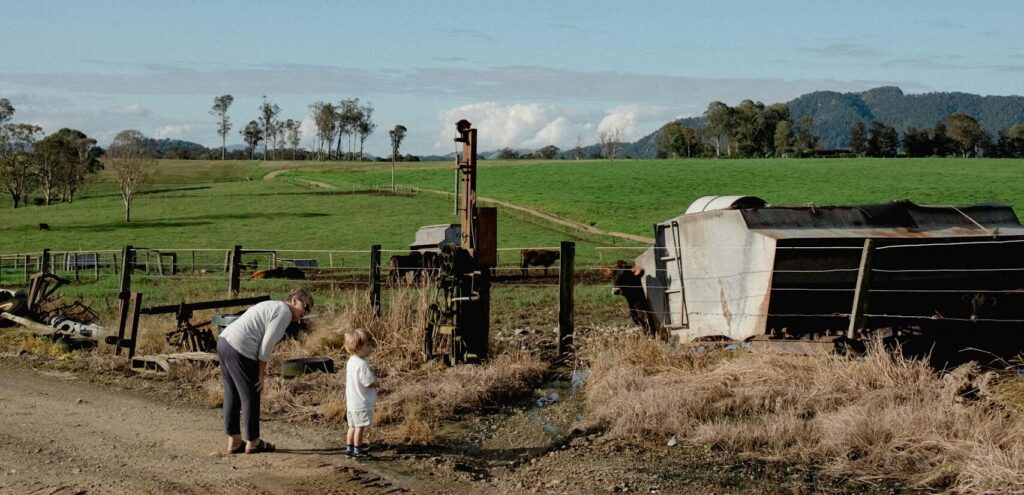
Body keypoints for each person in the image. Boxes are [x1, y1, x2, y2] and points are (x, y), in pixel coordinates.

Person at [217, 287, 313, 454]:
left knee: (231, 392)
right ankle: (253, 441)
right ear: (295, 300)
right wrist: (261, 373)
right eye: (306, 307)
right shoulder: (284, 312)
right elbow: (267, 344)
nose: (304, 314)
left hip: (224, 341)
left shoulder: (272, 305)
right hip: (241, 347)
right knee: (251, 393)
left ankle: (234, 440)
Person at [345, 328, 377, 458]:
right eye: (367, 345)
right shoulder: (362, 364)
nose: (370, 348)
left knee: (352, 426)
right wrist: (377, 382)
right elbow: (367, 382)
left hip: (352, 402)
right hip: (361, 402)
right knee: (360, 427)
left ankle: (349, 448)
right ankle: (358, 449)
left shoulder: (351, 361)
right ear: (357, 347)